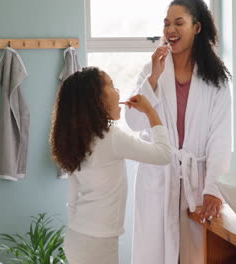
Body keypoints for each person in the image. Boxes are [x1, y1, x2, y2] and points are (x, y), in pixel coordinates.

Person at [124, 0, 232, 263]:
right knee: (155, 254)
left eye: (179, 22)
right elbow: (133, 122)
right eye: (167, 23)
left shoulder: (216, 79)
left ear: (197, 27)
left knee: (195, 255)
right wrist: (152, 79)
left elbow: (220, 138)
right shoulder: (151, 71)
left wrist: (213, 189)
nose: (170, 29)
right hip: (159, 177)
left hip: (197, 181)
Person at [49, 67, 172, 264]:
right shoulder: (112, 138)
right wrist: (150, 111)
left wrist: (80, 229)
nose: (118, 92)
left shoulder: (78, 139)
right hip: (98, 243)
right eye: (112, 87)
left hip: (77, 236)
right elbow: (164, 154)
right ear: (98, 99)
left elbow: (72, 197)